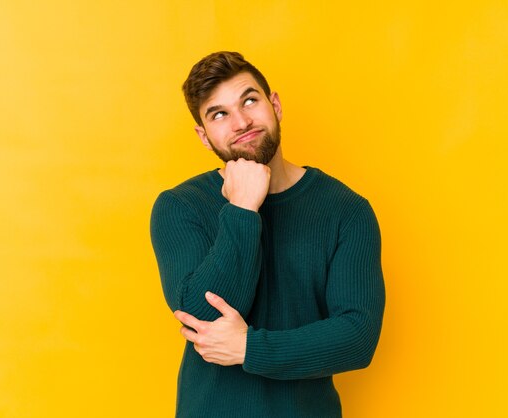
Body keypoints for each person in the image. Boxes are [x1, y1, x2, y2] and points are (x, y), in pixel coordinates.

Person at [150, 51, 385, 418]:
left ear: (274, 104)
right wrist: (243, 207)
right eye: (220, 114)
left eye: (249, 100)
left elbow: (357, 337)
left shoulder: (346, 210)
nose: (241, 121)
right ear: (204, 136)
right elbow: (202, 319)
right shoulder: (180, 207)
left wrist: (250, 348)